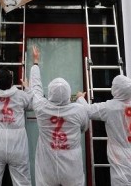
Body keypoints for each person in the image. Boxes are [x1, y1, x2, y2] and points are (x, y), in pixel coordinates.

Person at [28, 45, 89, 186]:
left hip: (47, 167)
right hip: (72, 168)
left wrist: (36, 62)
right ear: (68, 93)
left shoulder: (41, 107)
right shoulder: (78, 110)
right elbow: (84, 128)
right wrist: (80, 98)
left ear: (49, 93)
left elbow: (35, 88)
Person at [76, 75, 131, 185]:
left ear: (117, 89)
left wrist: (80, 98)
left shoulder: (110, 107)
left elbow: (88, 110)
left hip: (125, 162)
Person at [0, 68, 33, 186]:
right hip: (17, 143)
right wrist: (27, 88)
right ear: (12, 82)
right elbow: (31, 104)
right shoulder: (21, 95)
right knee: (22, 181)